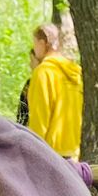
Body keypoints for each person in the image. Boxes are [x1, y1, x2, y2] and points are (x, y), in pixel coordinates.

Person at [24, 22, 83, 159]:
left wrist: (33, 153)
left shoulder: (43, 73)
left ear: (42, 43)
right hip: (76, 153)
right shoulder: (76, 72)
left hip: (52, 155)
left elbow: (39, 119)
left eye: (35, 43)